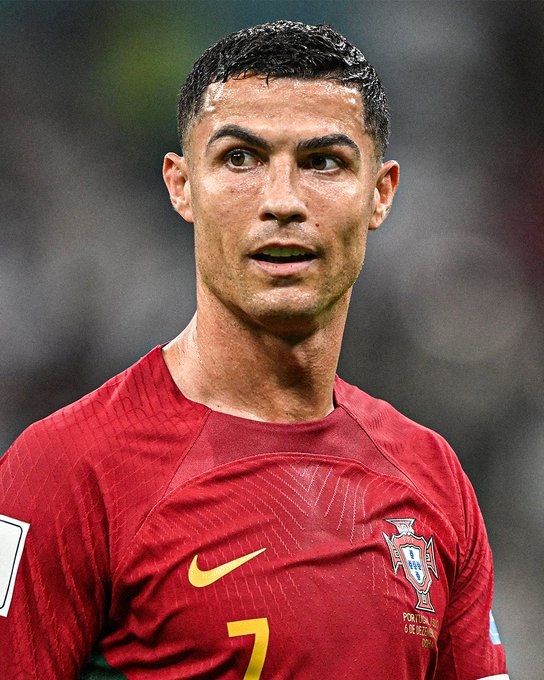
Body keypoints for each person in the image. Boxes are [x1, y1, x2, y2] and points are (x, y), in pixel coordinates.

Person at [0, 20, 508, 680]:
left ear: (380, 194)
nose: (283, 202)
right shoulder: (62, 472)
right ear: (182, 185)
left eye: (324, 161)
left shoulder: (433, 479)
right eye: (241, 158)